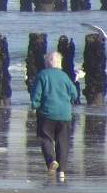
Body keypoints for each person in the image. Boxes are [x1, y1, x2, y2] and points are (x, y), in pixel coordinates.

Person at [30, 51, 77, 182]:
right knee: (63, 141)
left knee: (46, 138)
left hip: (47, 113)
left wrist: (34, 106)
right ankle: (61, 171)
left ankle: (51, 160)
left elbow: (36, 95)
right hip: (64, 114)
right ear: (59, 63)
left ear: (47, 63)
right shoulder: (64, 76)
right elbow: (74, 93)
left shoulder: (42, 75)